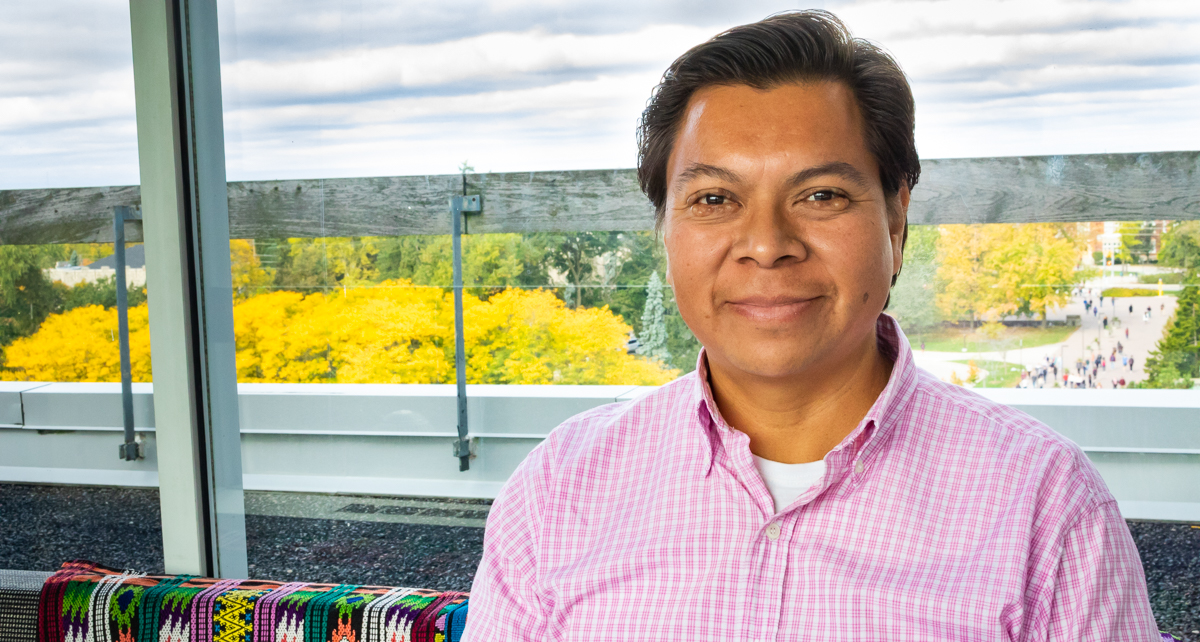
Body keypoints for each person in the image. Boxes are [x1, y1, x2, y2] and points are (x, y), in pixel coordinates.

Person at [465, 12, 1160, 640]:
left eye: (821, 195)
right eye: (715, 198)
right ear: (665, 232)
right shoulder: (560, 487)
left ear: (896, 217)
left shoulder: (1049, 508)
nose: (766, 243)